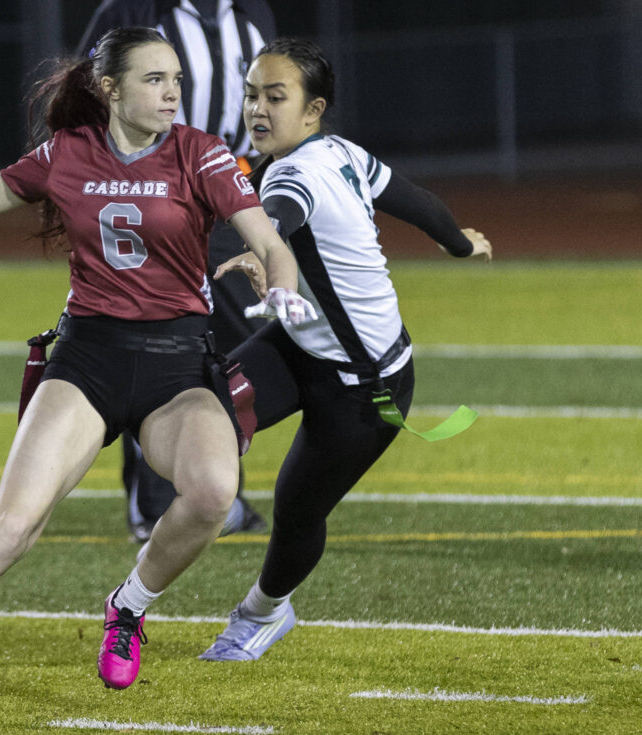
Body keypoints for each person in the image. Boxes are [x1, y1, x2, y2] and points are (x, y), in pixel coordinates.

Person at [0, 27, 315, 726]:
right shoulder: (66, 154)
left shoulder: (200, 152)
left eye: (176, 79)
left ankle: (128, 605)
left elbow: (271, 242)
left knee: (214, 491)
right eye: (155, 79)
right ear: (111, 89)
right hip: (88, 358)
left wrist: (282, 288)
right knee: (10, 527)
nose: (172, 92)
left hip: (178, 365)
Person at [189, 37, 493, 662]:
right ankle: (170, 534)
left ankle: (263, 612)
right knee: (197, 413)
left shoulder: (297, 172)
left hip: (364, 387)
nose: (257, 109)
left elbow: (282, 213)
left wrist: (261, 248)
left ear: (313, 109)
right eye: (252, 94)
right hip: (303, 345)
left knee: (296, 511)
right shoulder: (340, 151)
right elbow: (421, 204)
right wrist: (459, 243)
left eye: (276, 97)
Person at [79, 0, 278, 542]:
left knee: (243, 350)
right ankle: (155, 503)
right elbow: (85, 93)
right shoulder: (134, 9)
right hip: (158, 199)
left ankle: (210, 485)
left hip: (232, 195)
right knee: (159, 347)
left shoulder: (253, 13)